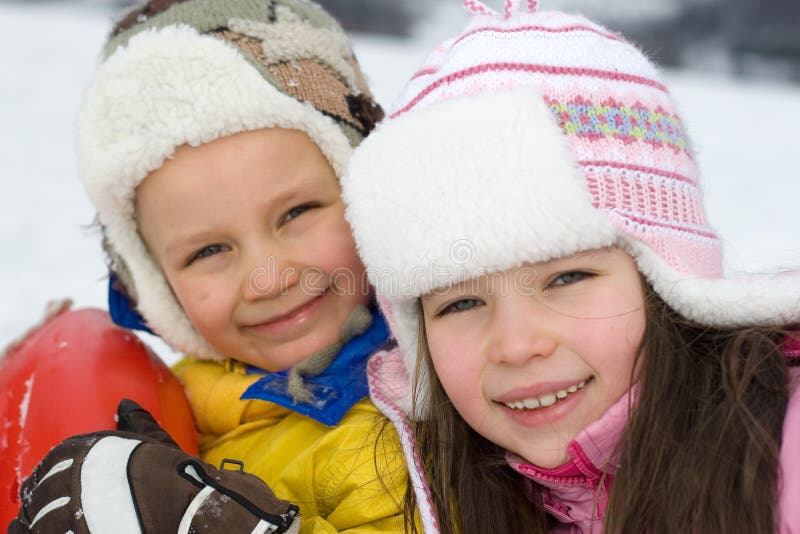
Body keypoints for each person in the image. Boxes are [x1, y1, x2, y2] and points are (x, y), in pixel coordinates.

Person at [342, 0, 800, 532]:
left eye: (566, 278)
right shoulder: (451, 496)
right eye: (461, 302)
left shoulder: (777, 449)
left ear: (667, 278)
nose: (517, 345)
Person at [10, 0, 413, 532]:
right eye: (208, 251)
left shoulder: (418, 423)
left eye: (296, 213)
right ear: (153, 287)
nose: (269, 276)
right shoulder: (173, 394)